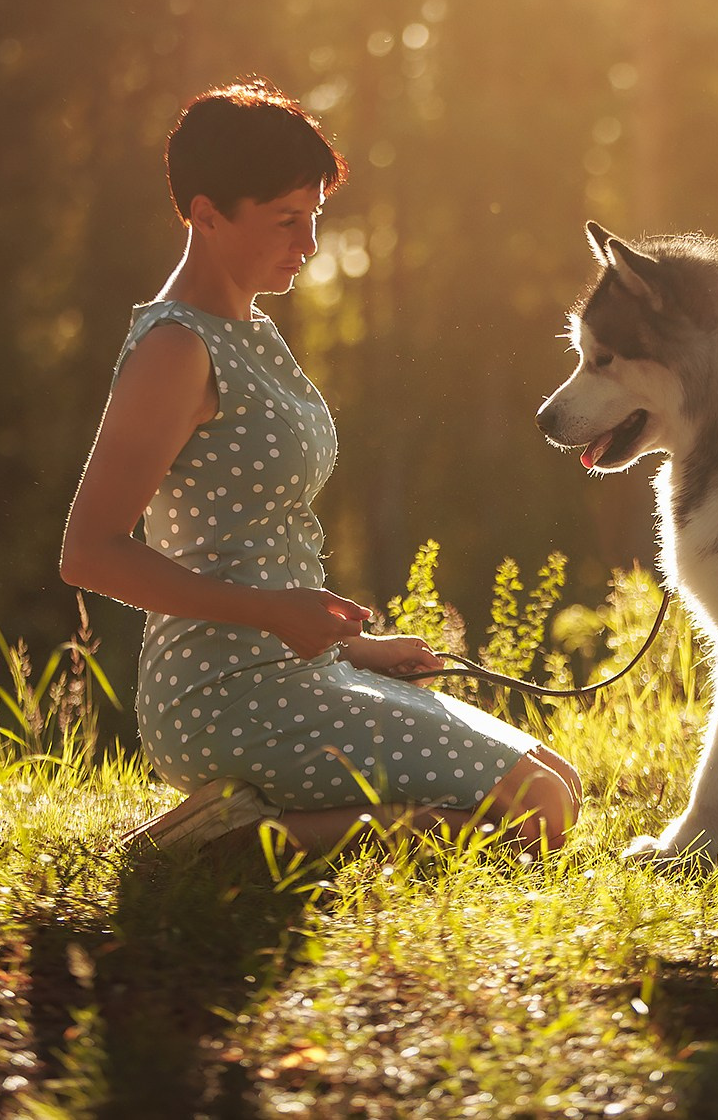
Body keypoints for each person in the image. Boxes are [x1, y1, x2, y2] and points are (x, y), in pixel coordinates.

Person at [61, 79, 579, 861]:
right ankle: (223, 843)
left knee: (558, 779)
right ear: (206, 216)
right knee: (538, 813)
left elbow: (257, 547)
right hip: (223, 695)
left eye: (315, 219)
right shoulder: (175, 351)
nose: (307, 245)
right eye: (285, 221)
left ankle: (262, 826)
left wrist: (354, 649)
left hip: (296, 669)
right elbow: (89, 553)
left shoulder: (252, 331)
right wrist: (275, 618)